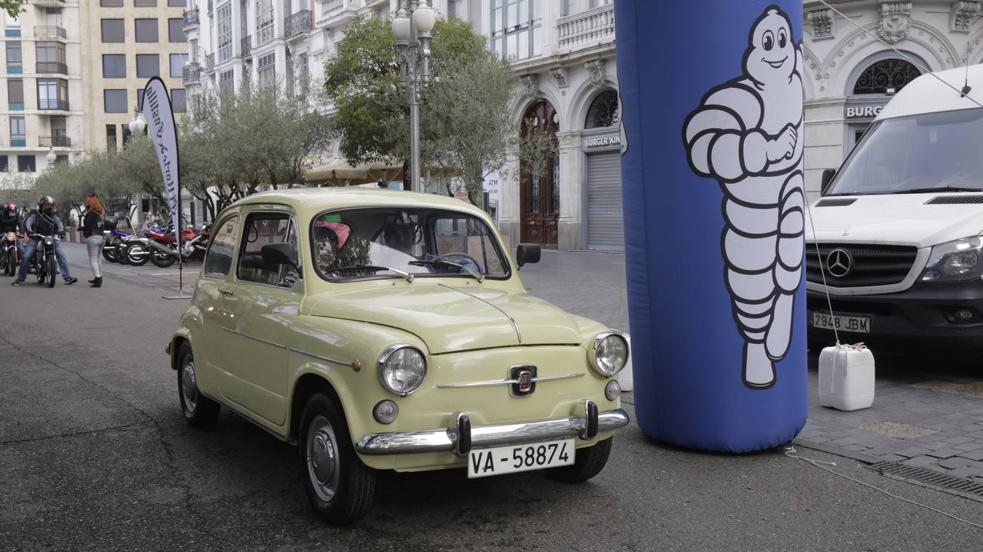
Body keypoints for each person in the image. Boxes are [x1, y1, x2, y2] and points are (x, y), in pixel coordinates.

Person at [12, 196, 77, 286]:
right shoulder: (35, 214)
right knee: (26, 256)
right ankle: (20, 278)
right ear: (41, 205)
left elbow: (59, 223)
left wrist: (61, 231)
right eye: (46, 205)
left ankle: (67, 278)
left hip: (51, 237)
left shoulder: (54, 214)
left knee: (61, 255)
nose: (49, 207)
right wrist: (30, 231)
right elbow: (28, 223)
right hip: (36, 237)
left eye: (51, 205)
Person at [81, 193, 105, 288]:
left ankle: (97, 278)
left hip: (93, 237)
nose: (87, 204)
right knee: (98, 258)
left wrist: (83, 227)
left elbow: (87, 224)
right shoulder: (100, 214)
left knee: (93, 259)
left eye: (88, 202)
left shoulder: (90, 214)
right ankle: (99, 277)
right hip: (101, 237)